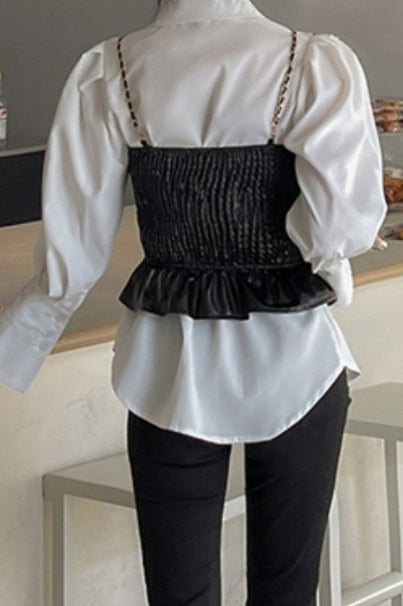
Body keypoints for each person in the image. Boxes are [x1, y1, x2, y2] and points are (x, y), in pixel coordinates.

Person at [0, 0, 387, 604]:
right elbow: (342, 224)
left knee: (178, 593)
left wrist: (22, 335)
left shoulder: (110, 69)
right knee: (289, 591)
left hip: (168, 369)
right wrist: (324, 263)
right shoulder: (311, 61)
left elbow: (75, 241)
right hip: (300, 360)